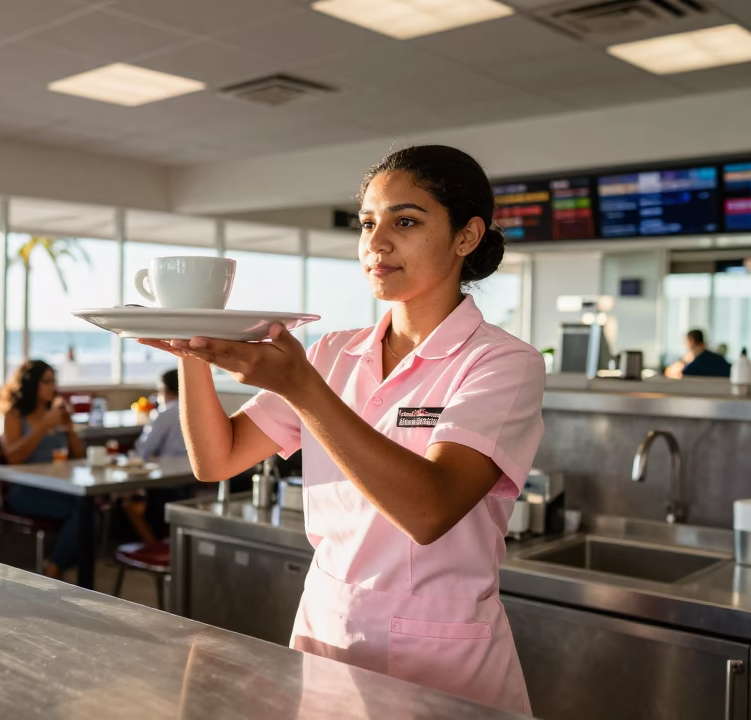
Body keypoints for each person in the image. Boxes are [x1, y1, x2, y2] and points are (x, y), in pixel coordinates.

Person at [140, 145, 542, 714]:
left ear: (466, 236)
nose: (376, 243)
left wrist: (303, 389)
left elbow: (431, 508)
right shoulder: (332, 353)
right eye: (368, 223)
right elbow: (217, 458)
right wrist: (191, 347)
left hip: (441, 653)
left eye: (405, 221)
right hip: (325, 631)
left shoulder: (502, 362)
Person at [0, 360, 85, 579]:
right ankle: (55, 570)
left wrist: (70, 428)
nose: (51, 387)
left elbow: (79, 456)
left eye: (53, 381)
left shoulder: (55, 412)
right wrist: (44, 425)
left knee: (90, 511)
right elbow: (14, 456)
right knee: (83, 513)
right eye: (45, 382)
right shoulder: (14, 415)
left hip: (59, 485)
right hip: (25, 490)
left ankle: (56, 567)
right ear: (31, 384)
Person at [124, 369, 190, 545]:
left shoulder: (164, 414)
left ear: (166, 391)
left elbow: (143, 451)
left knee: (126, 501)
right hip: (196, 483)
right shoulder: (200, 409)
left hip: (166, 484)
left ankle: (153, 546)